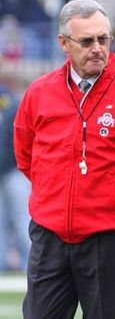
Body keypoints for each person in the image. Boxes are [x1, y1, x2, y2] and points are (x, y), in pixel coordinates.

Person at [13, 0, 115, 319]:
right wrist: (56, 195)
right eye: (86, 41)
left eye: (103, 39)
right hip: (50, 235)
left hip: (110, 236)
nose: (97, 48)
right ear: (64, 43)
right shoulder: (39, 93)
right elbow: (26, 156)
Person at [0, 80, 31, 271]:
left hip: (13, 171)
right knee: (3, 221)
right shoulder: (12, 103)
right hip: (8, 170)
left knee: (22, 221)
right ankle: (3, 265)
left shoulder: (14, 103)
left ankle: (31, 264)